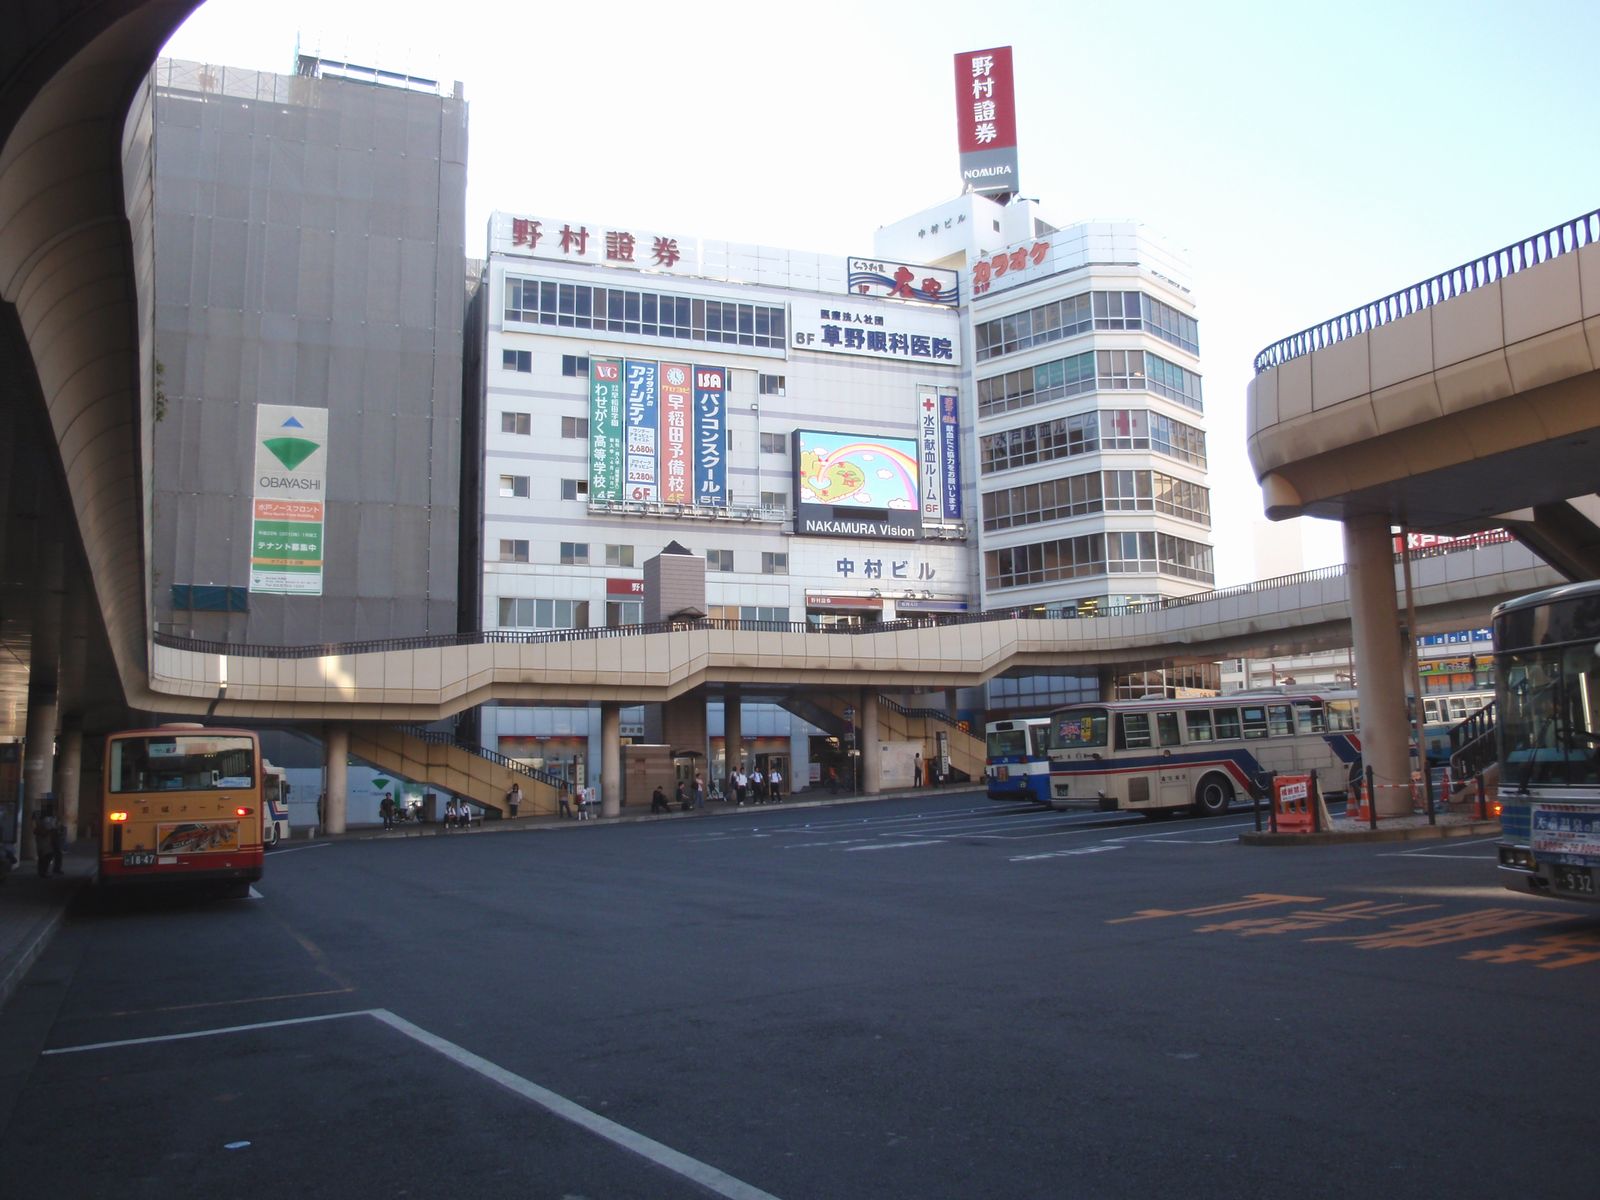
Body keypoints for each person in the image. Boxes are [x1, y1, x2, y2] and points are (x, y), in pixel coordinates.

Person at [33, 809, 63, 877]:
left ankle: (43, 872)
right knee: (45, 855)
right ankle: (43, 872)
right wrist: (49, 831)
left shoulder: (51, 817)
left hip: (48, 838)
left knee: (48, 855)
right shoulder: (40, 817)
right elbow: (37, 829)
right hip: (44, 839)